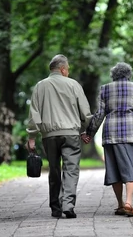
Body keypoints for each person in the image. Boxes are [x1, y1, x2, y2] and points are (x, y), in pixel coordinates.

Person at [81, 62, 133, 217]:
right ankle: (128, 203)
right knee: (132, 167)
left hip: (111, 134)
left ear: (113, 76)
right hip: (131, 132)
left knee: (114, 169)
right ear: (129, 75)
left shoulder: (105, 89)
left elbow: (99, 114)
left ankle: (120, 204)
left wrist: (90, 133)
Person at [26, 54, 92, 219]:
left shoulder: (40, 86)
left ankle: (56, 208)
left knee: (54, 170)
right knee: (71, 170)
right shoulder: (73, 85)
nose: (68, 72)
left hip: (49, 136)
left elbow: (34, 114)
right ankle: (68, 205)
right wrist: (84, 130)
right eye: (67, 70)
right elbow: (85, 112)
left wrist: (32, 137)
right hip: (71, 134)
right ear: (63, 69)